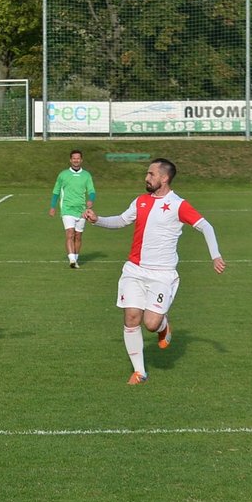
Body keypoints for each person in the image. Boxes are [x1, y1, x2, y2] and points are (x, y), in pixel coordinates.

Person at [84, 158, 225, 386]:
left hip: (162, 274)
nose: (146, 178)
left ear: (164, 178)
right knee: (131, 318)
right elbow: (121, 221)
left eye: (151, 174)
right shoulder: (140, 201)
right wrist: (97, 220)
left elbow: (205, 226)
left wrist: (215, 255)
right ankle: (140, 372)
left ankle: (163, 326)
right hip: (134, 270)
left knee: (150, 323)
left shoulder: (178, 205)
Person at [48, 149, 96, 269]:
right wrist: (52, 207)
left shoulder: (86, 175)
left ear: (81, 160)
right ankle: (72, 260)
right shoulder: (63, 175)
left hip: (81, 211)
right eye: (74, 158)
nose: (76, 160)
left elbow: (92, 191)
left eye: (78, 158)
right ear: (70, 160)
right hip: (67, 209)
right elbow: (56, 192)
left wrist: (91, 199)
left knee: (78, 236)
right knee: (70, 234)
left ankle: (76, 258)